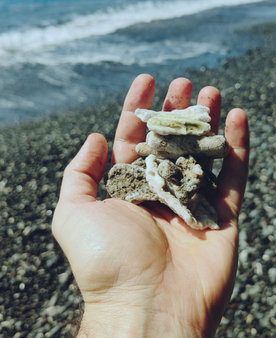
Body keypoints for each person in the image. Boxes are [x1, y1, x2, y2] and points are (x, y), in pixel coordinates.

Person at [52, 74, 250, 337]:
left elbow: (161, 147)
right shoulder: (155, 151)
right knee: (158, 144)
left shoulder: (165, 153)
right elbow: (155, 146)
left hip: (175, 183)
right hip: (168, 183)